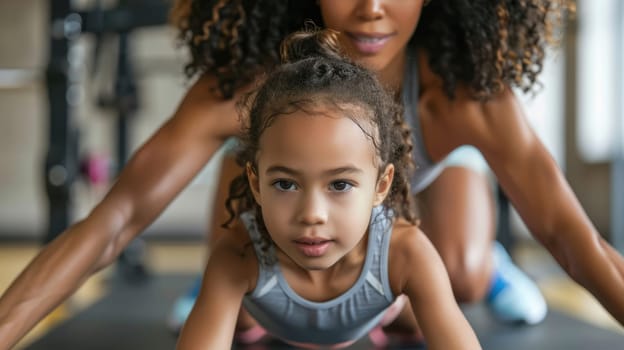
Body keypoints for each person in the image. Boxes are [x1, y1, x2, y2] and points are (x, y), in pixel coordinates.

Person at [1, 0, 624, 348]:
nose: (372, 10)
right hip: (283, 198)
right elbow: (117, 220)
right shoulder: (246, 86)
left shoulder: (460, 93)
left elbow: (572, 235)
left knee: (453, 271)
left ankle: (474, 271)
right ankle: (247, 265)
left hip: (429, 184)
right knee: (243, 284)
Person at [176, 28, 481, 350]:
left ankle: (467, 281)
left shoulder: (406, 252)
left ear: (381, 185)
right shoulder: (237, 255)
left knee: (410, 320)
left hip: (382, 307)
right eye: (285, 184)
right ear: (256, 183)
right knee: (237, 318)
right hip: (269, 310)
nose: (312, 215)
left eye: (340, 184)